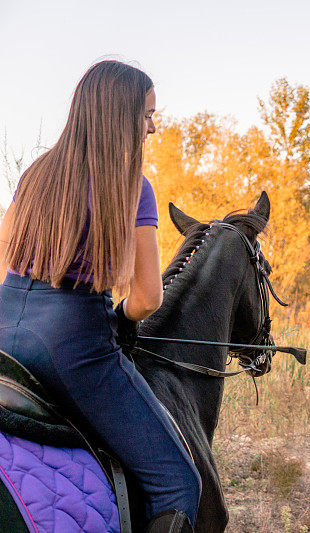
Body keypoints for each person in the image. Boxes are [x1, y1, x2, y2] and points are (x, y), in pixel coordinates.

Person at [0, 61, 199, 533]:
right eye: (147, 113)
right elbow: (148, 298)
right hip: (70, 342)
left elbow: (3, 257)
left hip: (5, 325)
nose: (153, 125)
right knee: (178, 483)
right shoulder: (132, 187)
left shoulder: (34, 177)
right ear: (119, 114)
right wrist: (120, 316)